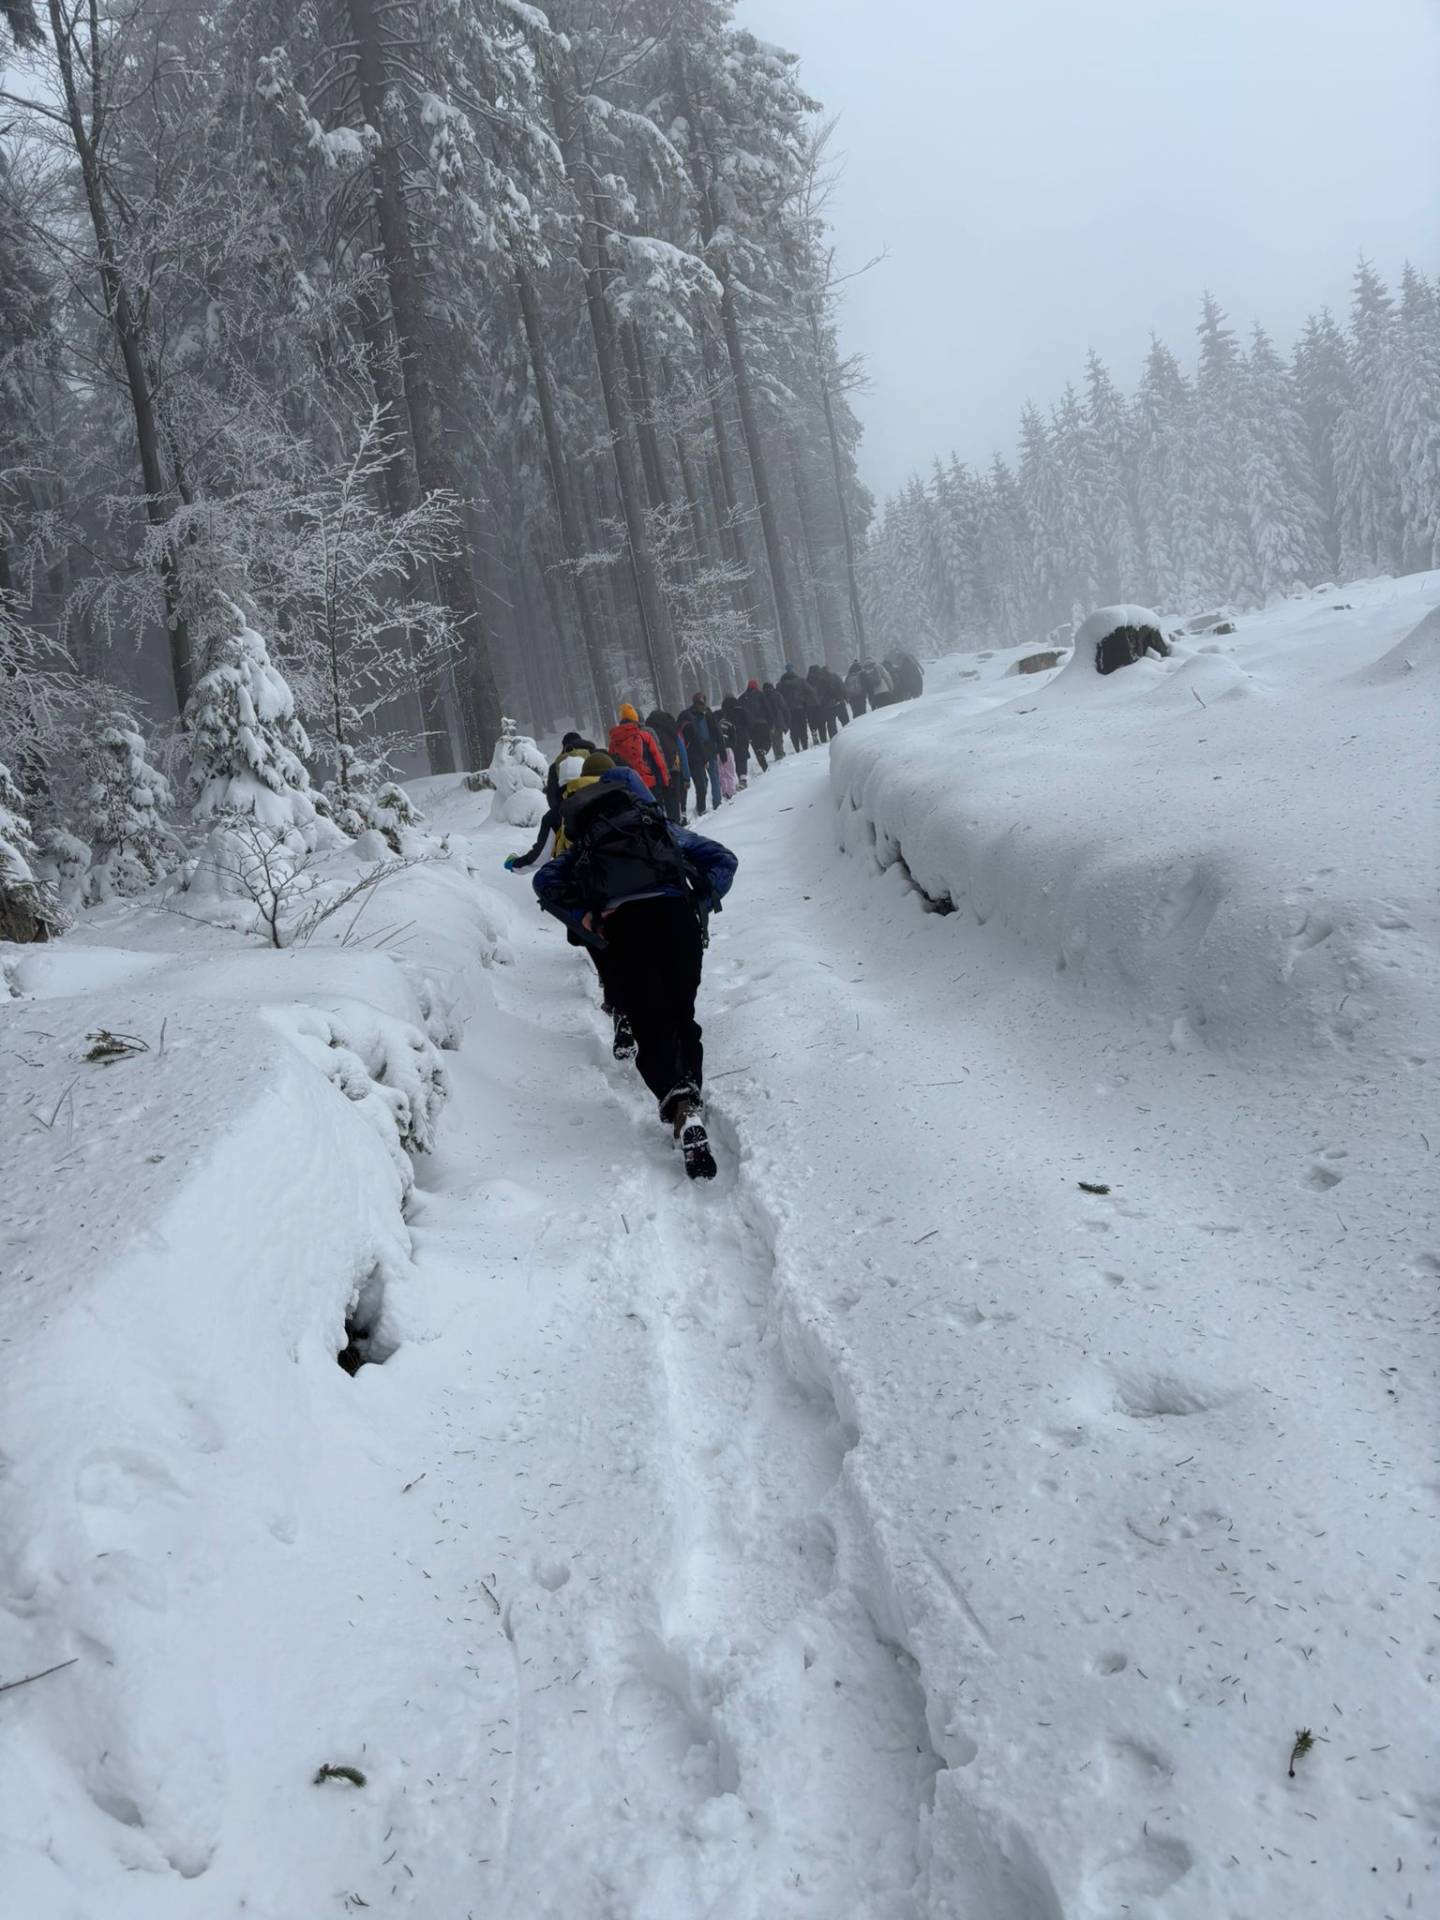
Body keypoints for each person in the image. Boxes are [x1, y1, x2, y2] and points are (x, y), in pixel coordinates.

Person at [534, 767, 738, 1179]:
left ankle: (678, 1102)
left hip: (626, 930)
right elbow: (724, 859)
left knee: (649, 1023)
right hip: (677, 921)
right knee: (682, 1016)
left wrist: (584, 916)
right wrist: (700, 897)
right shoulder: (659, 829)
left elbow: (545, 880)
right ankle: (690, 1099)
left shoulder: (587, 842)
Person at [507, 750, 636, 1058]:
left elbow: (541, 858)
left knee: (603, 950)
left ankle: (619, 1005)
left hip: (581, 895)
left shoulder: (560, 812)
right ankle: (631, 1007)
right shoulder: (625, 798)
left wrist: (514, 865)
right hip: (625, 887)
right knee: (631, 951)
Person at [608, 704, 670, 793]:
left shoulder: (614, 741)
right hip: (648, 784)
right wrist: (665, 781)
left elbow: (611, 765)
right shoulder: (644, 736)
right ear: (636, 719)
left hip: (626, 786)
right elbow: (658, 760)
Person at [679, 692, 724, 814]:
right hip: (705, 751)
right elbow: (716, 732)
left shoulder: (685, 714)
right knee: (712, 777)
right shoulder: (706, 712)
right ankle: (716, 804)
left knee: (703, 781)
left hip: (695, 753)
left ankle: (705, 806)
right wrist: (721, 749)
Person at [645, 707, 690, 825]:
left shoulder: (647, 732)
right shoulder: (671, 729)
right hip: (674, 766)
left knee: (660, 804)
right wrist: (686, 776)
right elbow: (682, 752)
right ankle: (676, 826)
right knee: (674, 802)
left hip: (657, 771)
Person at [544, 731, 597, 812]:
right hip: (597, 804)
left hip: (570, 811)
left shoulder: (557, 765)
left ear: (564, 746)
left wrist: (559, 814)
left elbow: (552, 796)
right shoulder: (595, 755)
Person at [720, 692, 751, 789]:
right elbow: (748, 722)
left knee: (735, 757)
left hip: (731, 738)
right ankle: (743, 778)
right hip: (742, 735)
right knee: (743, 756)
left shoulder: (724, 713)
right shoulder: (741, 710)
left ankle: (737, 777)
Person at [740, 679, 771, 772]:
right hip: (762, 723)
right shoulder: (761, 695)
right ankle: (764, 750)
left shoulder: (742, 698)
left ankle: (764, 767)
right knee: (767, 740)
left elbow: (741, 713)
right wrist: (770, 721)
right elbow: (767, 708)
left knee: (756, 746)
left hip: (750, 727)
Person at [777, 665, 810, 751]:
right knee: (803, 727)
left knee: (793, 729)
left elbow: (778, 698)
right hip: (801, 708)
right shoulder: (800, 681)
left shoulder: (780, 684)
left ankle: (797, 748)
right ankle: (805, 746)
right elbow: (808, 692)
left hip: (788, 711)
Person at [762, 681, 787, 760]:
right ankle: (781, 753)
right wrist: (786, 719)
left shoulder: (762, 696)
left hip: (768, 721)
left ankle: (777, 754)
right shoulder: (777, 694)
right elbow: (783, 706)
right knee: (779, 738)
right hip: (778, 719)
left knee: (773, 739)